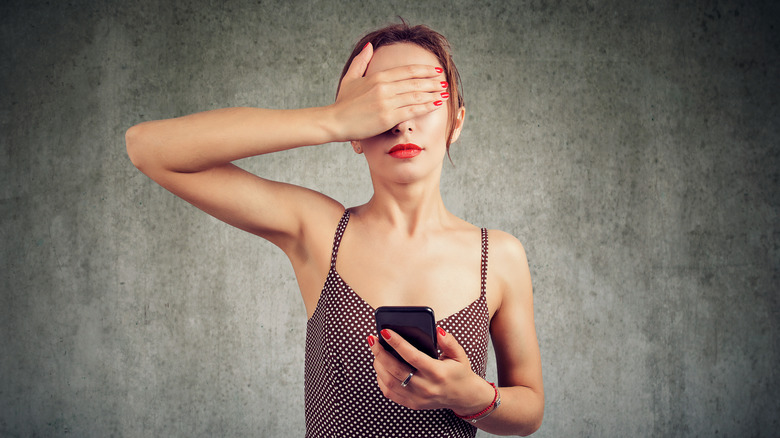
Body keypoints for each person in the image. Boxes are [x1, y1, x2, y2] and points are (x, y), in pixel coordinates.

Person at [126, 21, 543, 437]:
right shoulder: (321, 231)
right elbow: (147, 148)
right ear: (356, 132)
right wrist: (332, 120)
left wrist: (475, 398)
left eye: (422, 98)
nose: (402, 122)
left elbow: (530, 409)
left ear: (456, 122)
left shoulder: (500, 257)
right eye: (381, 102)